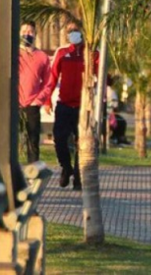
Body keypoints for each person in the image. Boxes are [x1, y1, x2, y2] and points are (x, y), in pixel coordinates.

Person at [45, 22, 98, 191]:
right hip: (64, 105)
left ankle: (78, 176)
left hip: (83, 107)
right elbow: (52, 77)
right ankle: (66, 167)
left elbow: (99, 76)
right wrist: (47, 100)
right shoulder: (62, 53)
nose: (72, 33)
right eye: (69, 31)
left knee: (81, 143)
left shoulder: (91, 54)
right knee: (59, 139)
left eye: (75, 30)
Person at [18, 21, 52, 163]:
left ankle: (32, 171)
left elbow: (48, 82)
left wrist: (39, 100)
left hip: (33, 104)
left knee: (33, 140)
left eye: (30, 32)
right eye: (24, 31)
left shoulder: (42, 57)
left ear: (35, 34)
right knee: (12, 140)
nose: (27, 34)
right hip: (14, 104)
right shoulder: (13, 54)